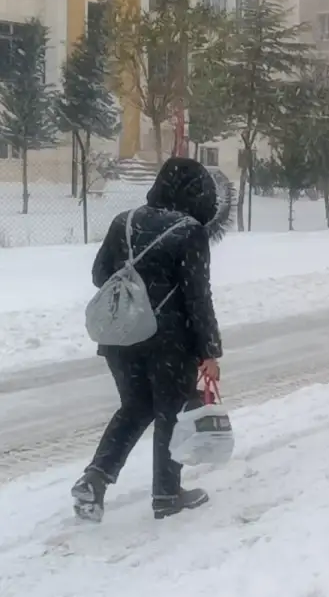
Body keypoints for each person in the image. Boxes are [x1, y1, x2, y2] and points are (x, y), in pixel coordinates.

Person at [72, 157, 229, 522]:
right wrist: (210, 350)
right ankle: (167, 495)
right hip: (168, 341)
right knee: (169, 414)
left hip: (122, 336)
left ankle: (94, 480)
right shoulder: (190, 230)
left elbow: (100, 275)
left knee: (135, 407)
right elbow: (197, 296)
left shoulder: (123, 221)